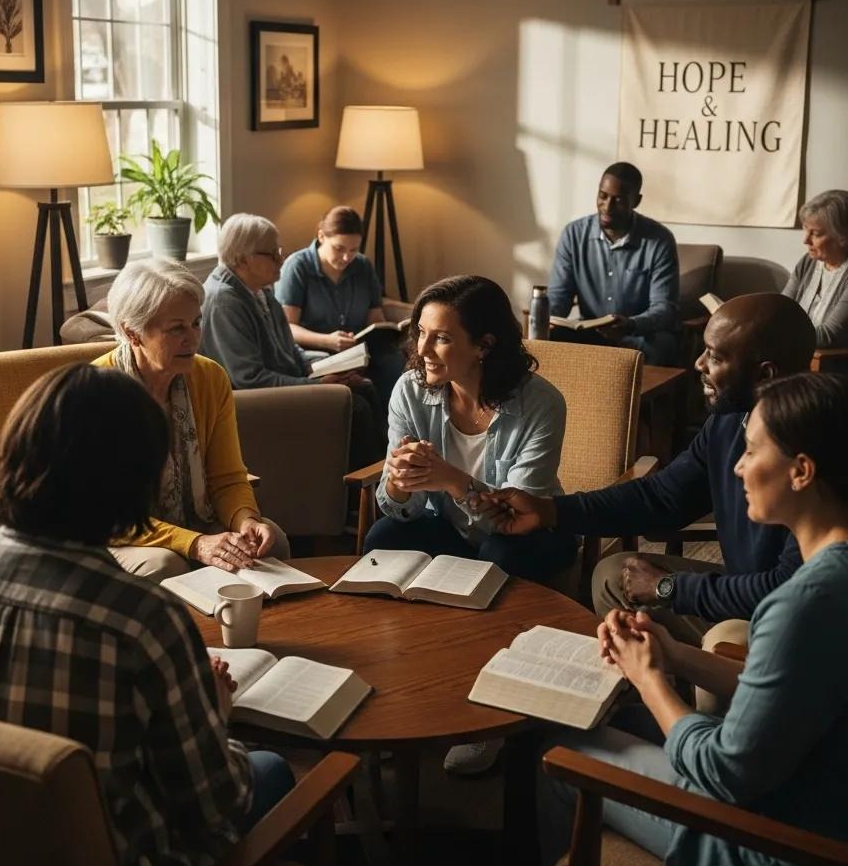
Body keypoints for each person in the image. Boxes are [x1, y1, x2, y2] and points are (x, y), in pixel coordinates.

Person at [0, 363, 295, 866]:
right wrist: (215, 712)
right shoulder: (141, 620)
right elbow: (216, 806)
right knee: (272, 771)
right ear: (135, 485)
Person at [537, 372, 848, 866]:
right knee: (619, 727)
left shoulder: (805, 604)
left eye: (750, 452)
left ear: (801, 471)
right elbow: (793, 693)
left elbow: (723, 773)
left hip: (793, 860)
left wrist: (650, 680)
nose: (739, 467)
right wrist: (674, 657)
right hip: (842, 807)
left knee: (560, 749)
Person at [476, 294, 816, 663]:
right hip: (745, 588)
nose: (698, 363)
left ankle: (697, 705)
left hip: (794, 617)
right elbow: (663, 497)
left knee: (725, 637)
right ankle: (652, 687)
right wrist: (549, 510)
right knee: (612, 574)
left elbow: (788, 588)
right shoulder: (732, 419)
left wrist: (668, 586)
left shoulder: (809, 457)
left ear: (766, 374)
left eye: (715, 357)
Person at [366, 274, 577, 775]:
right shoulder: (410, 391)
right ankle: (403, 684)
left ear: (484, 345)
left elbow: (514, 515)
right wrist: (398, 483)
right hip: (452, 528)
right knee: (384, 539)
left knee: (498, 559)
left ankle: (491, 713)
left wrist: (451, 479)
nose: (424, 350)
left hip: (528, 535)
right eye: (420, 333)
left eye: (441, 337)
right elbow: (397, 505)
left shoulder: (541, 403)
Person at [96, 258, 289, 583]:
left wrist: (247, 520)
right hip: (114, 533)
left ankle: (257, 633)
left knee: (272, 542)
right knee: (166, 565)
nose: (193, 338)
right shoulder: (96, 390)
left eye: (196, 323)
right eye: (176, 329)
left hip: (192, 521)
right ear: (133, 333)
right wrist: (195, 544)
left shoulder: (210, 377)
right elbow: (106, 513)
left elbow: (227, 477)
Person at [201, 212, 386, 469]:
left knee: (364, 386)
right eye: (273, 254)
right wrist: (318, 385)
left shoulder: (260, 290)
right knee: (355, 407)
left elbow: (290, 350)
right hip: (262, 402)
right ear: (244, 259)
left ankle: (384, 483)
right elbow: (250, 380)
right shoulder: (225, 301)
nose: (282, 259)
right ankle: (360, 497)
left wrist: (330, 367)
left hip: (288, 383)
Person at [549, 162, 681, 366]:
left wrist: (631, 324)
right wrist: (547, 317)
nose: (607, 207)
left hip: (638, 335)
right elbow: (559, 297)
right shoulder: (573, 235)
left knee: (664, 345)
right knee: (549, 340)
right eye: (602, 196)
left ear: (636, 201)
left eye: (618, 200)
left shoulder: (660, 240)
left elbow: (664, 308)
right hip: (589, 334)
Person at [275, 205, 405, 406]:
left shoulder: (363, 266)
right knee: (359, 388)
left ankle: (400, 429)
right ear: (321, 236)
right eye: (339, 248)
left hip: (360, 350)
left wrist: (387, 332)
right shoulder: (298, 267)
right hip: (318, 352)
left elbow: (375, 318)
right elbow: (287, 328)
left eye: (354, 250)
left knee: (395, 363)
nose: (347, 257)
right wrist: (327, 341)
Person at [782, 189, 848, 349]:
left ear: (843, 237)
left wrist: (775, 334)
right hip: (799, 358)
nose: (805, 240)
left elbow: (829, 336)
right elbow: (779, 310)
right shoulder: (808, 261)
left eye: (815, 234)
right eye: (805, 230)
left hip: (838, 366)